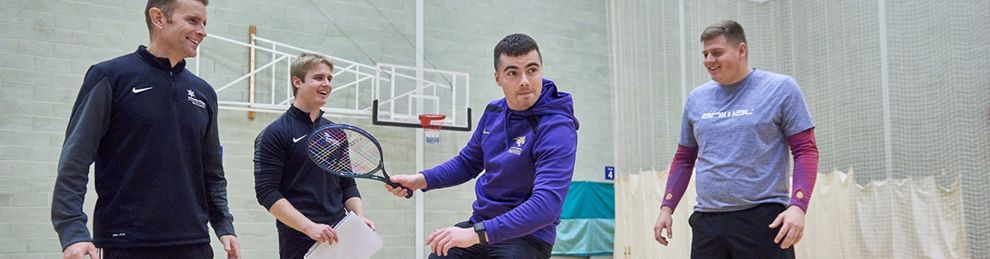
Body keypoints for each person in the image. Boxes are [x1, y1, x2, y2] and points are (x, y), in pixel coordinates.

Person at [51, 0, 240, 258]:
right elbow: (75, 160)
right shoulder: (110, 77)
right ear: (159, 18)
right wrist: (72, 230)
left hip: (194, 242)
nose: (203, 31)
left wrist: (223, 223)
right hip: (128, 243)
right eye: (193, 21)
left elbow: (212, 170)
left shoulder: (204, 93)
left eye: (204, 23)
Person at [385, 33, 579, 259]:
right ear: (498, 78)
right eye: (513, 73)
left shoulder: (557, 127)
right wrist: (419, 180)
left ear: (541, 71)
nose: (525, 80)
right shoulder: (493, 112)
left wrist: (476, 234)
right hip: (482, 225)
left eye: (532, 70)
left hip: (528, 237)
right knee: (440, 254)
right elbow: (467, 163)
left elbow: (547, 205)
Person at [652, 20, 820, 258]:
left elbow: (805, 150)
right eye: (705, 54)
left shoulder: (781, 88)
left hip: (763, 219)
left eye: (717, 53)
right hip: (707, 221)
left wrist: (798, 206)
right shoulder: (696, 99)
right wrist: (666, 208)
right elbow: (684, 157)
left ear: (741, 50)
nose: (709, 60)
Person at [253, 52, 375, 259]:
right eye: (319, 78)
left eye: (329, 78)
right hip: (300, 241)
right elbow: (267, 192)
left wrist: (359, 217)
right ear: (297, 81)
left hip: (340, 236)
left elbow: (347, 184)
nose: (326, 83)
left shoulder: (336, 132)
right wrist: (309, 227)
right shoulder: (275, 133)